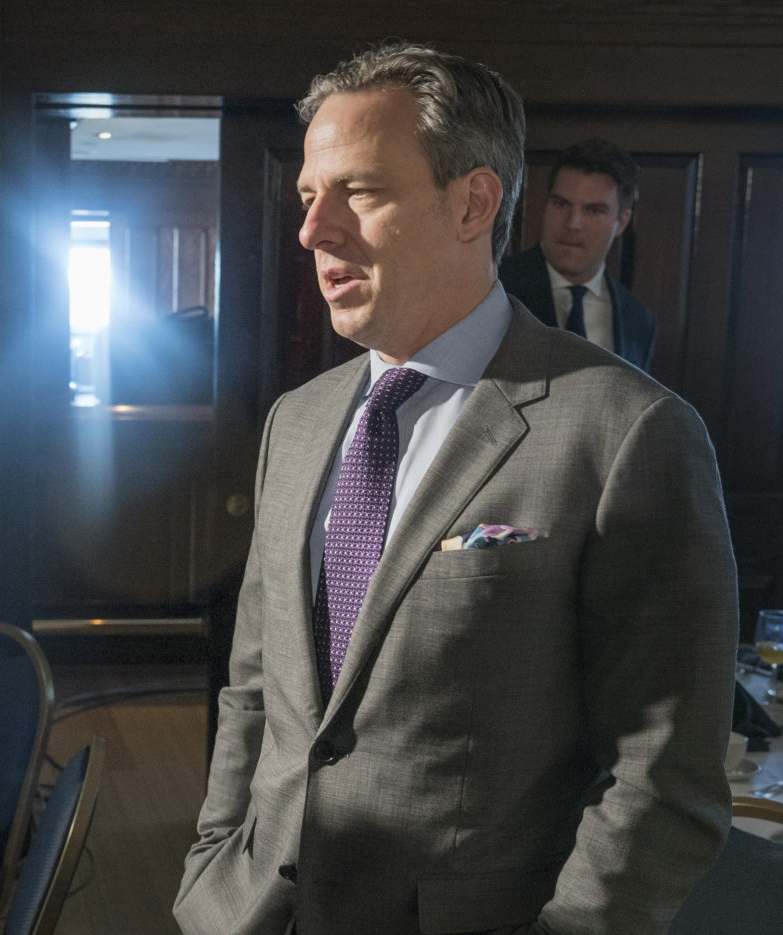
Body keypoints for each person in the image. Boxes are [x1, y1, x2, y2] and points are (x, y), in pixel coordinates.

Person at [174, 44, 737, 935]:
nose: (313, 231)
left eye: (357, 191)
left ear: (472, 202)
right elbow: (255, 686)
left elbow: (664, 772)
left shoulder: (630, 431)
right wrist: (213, 869)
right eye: (309, 197)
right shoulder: (298, 420)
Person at [500, 139, 656, 369]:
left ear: (621, 223)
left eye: (594, 210)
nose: (573, 224)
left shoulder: (638, 320)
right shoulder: (497, 288)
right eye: (561, 204)